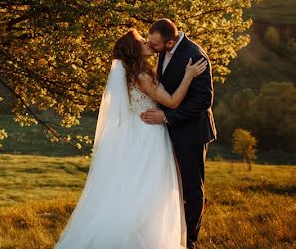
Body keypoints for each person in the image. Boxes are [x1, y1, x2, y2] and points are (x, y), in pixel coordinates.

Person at [54, 28, 207, 249]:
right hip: (150, 134)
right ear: (135, 51)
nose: (148, 44)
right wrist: (189, 75)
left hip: (141, 131)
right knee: (152, 190)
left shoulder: (134, 72)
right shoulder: (142, 76)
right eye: (144, 42)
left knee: (143, 188)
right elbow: (172, 102)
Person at [140, 18, 216, 249]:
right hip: (169, 131)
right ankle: (172, 232)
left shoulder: (195, 56)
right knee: (172, 184)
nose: (150, 47)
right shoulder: (163, 49)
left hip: (192, 132)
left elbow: (204, 100)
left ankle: (190, 241)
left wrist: (167, 117)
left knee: (192, 187)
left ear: (170, 42)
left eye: (155, 45)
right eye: (150, 43)